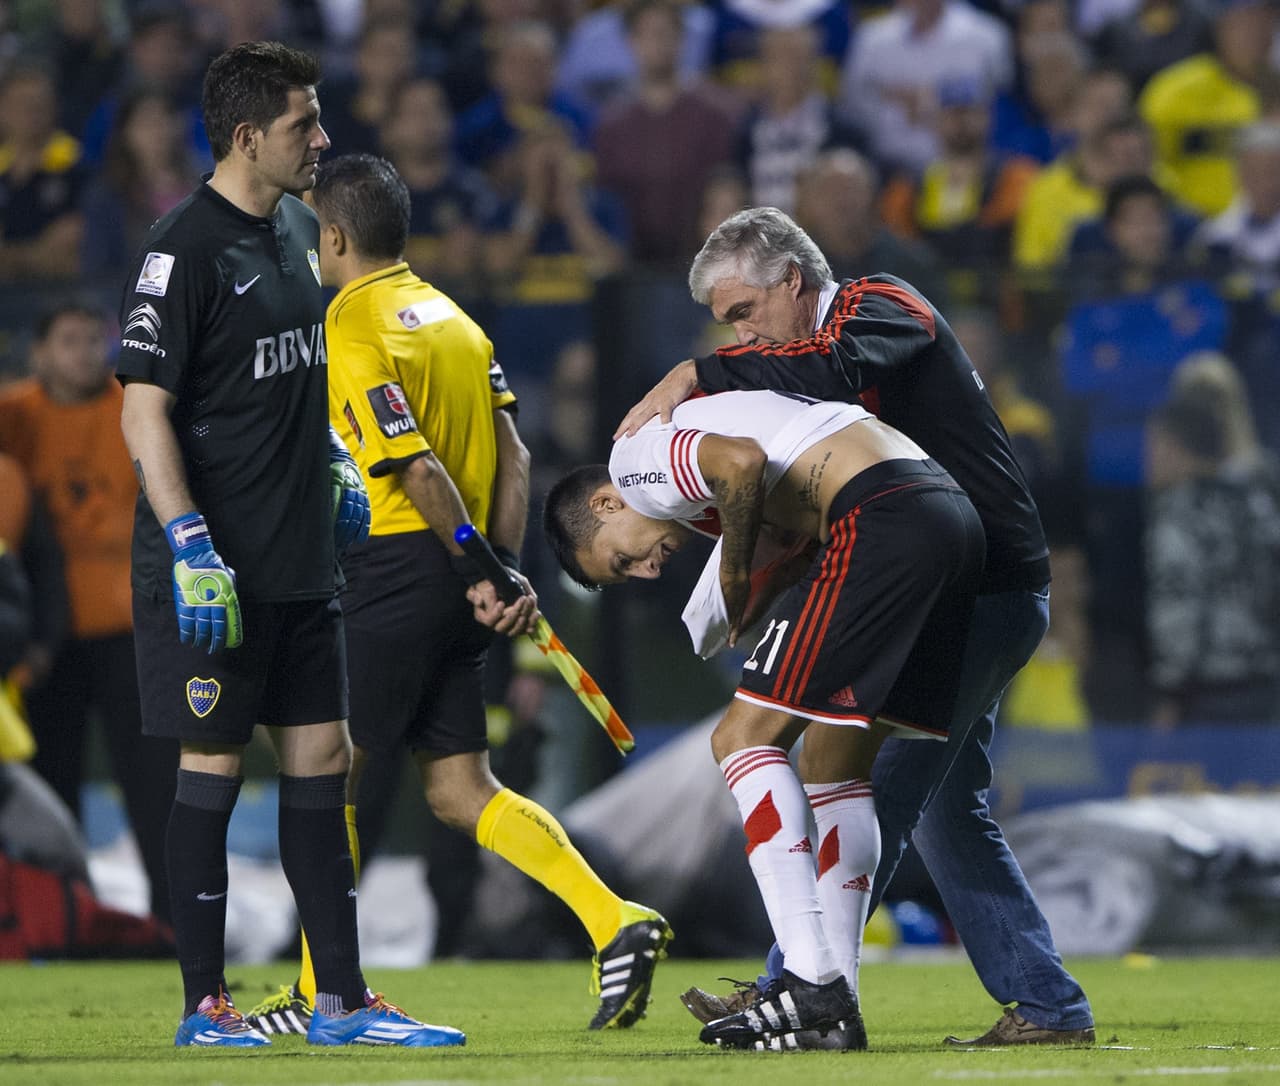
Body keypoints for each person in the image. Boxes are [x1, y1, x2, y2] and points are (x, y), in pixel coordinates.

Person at [616, 207, 1095, 1046]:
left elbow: (829, 367)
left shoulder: (883, 303)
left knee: (870, 777)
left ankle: (801, 987)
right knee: (940, 805)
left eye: (743, 313)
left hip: (982, 585)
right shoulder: (808, 363)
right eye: (726, 326)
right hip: (950, 583)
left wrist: (702, 372)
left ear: (793, 281)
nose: (740, 334)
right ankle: (1043, 1003)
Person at [256, 151, 670, 1035]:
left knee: (330, 774)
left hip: (397, 565)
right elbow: (513, 454)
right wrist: (498, 570)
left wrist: (479, 563)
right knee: (457, 788)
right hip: (456, 577)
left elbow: (409, 464)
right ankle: (615, 920)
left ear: (331, 236)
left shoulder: (353, 325)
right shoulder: (457, 321)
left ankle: (315, 995)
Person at [114, 41, 459, 1049]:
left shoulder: (304, 229)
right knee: (212, 771)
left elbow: (298, 378)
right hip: (212, 572)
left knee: (323, 763)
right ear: (247, 136)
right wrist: (188, 542)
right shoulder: (182, 250)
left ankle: (341, 1003)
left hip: (302, 561)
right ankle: (205, 1007)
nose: (324, 137)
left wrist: (340, 469)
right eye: (306, 122)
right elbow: (144, 413)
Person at [545, 386, 987, 1051]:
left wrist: (734, 571)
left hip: (879, 517)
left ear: (607, 503)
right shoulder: (697, 504)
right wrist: (750, 600)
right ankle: (835, 1009)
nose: (642, 572)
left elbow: (740, 463)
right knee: (834, 766)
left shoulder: (636, 457)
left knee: (740, 738)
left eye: (621, 559)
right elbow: (793, 532)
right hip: (945, 517)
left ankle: (811, 982)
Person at [0, 300, 175, 926]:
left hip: (132, 630)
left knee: (156, 790)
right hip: (50, 640)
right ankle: (63, 920)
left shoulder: (135, 404)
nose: (84, 352)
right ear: (40, 352)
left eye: (92, 340)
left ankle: (174, 925)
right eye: (68, 340)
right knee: (53, 783)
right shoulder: (16, 414)